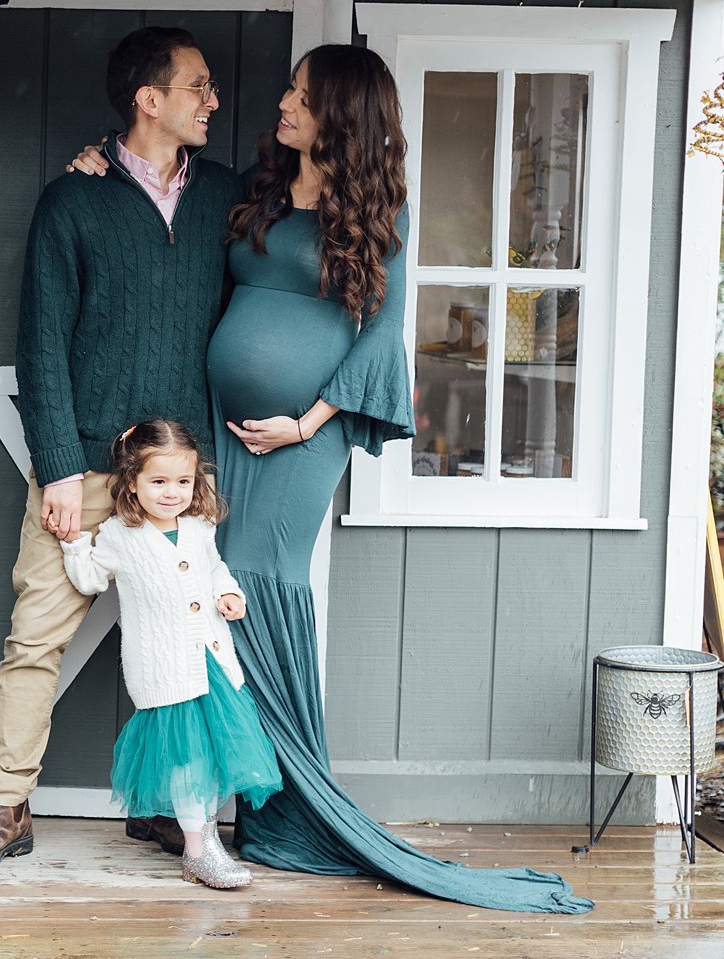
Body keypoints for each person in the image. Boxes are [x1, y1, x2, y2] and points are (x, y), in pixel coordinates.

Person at [66, 45, 593, 914]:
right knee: (205, 602)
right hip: (219, 435)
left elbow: (382, 338)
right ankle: (207, 800)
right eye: (289, 89)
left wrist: (304, 422)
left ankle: (286, 805)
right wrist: (98, 154)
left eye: (303, 96)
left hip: (303, 441)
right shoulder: (257, 189)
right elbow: (154, 172)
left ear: (341, 116)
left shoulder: (385, 211)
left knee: (262, 594)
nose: (282, 102)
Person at [0, 26, 244, 875]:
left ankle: (165, 804)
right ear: (150, 101)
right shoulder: (73, 201)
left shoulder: (227, 196)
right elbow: (41, 343)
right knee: (36, 638)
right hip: (85, 467)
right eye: (197, 88)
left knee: (181, 642)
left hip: (182, 471)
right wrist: (61, 469)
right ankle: (6, 806)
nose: (211, 101)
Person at [60, 420, 282, 888]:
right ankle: (199, 853)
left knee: (216, 756)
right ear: (132, 483)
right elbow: (90, 579)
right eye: (158, 482)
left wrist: (229, 593)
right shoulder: (121, 534)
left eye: (182, 482)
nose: (171, 493)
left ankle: (207, 841)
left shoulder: (198, 525)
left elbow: (214, 567)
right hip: (165, 669)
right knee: (187, 760)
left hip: (211, 661)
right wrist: (74, 542)